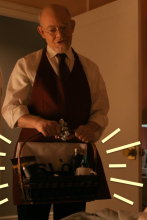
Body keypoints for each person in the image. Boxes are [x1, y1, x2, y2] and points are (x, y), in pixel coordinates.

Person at [2, 4, 110, 220]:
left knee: (73, 217)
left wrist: (91, 127)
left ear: (72, 27)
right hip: (33, 157)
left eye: (64, 28)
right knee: (32, 217)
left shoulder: (90, 68)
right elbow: (10, 109)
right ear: (42, 32)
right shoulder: (26, 65)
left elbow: (101, 110)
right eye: (52, 29)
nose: (59, 35)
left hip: (77, 159)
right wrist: (37, 122)